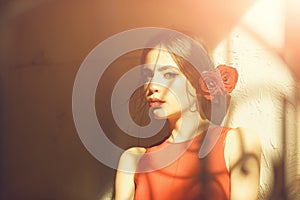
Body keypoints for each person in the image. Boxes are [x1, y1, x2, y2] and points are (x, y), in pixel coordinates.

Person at [114, 29, 261, 200]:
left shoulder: (237, 143)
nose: (152, 85)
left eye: (169, 74)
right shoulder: (134, 160)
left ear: (200, 81)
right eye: (148, 75)